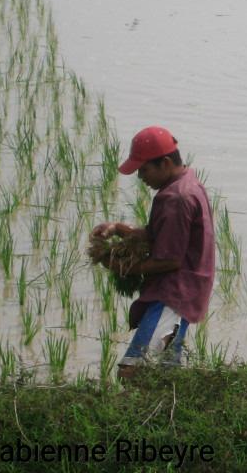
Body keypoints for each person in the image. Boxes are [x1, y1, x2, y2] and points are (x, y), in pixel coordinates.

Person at [90, 126, 215, 377]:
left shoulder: (175, 198)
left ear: (165, 163)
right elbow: (160, 233)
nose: (140, 177)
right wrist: (118, 229)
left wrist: (122, 267)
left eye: (144, 169)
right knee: (165, 372)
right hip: (187, 290)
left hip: (173, 295)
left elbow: (169, 260)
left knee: (132, 371)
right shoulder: (188, 182)